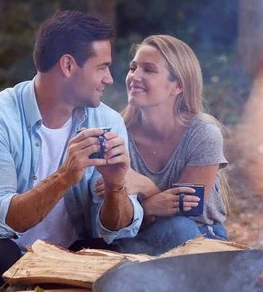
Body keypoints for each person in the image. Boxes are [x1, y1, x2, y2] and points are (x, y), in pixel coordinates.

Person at [0, 11, 143, 292]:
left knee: (117, 253)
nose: (109, 78)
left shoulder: (106, 120)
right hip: (2, 255)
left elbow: (114, 229)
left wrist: (117, 187)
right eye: (102, 68)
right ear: (68, 65)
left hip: (69, 256)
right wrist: (65, 176)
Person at [95, 35, 229, 255]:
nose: (134, 76)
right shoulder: (118, 134)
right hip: (138, 238)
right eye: (133, 68)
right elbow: (115, 220)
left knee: (179, 228)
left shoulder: (203, 133)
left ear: (177, 86)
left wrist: (145, 188)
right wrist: (148, 207)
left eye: (148, 70)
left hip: (202, 238)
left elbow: (185, 211)